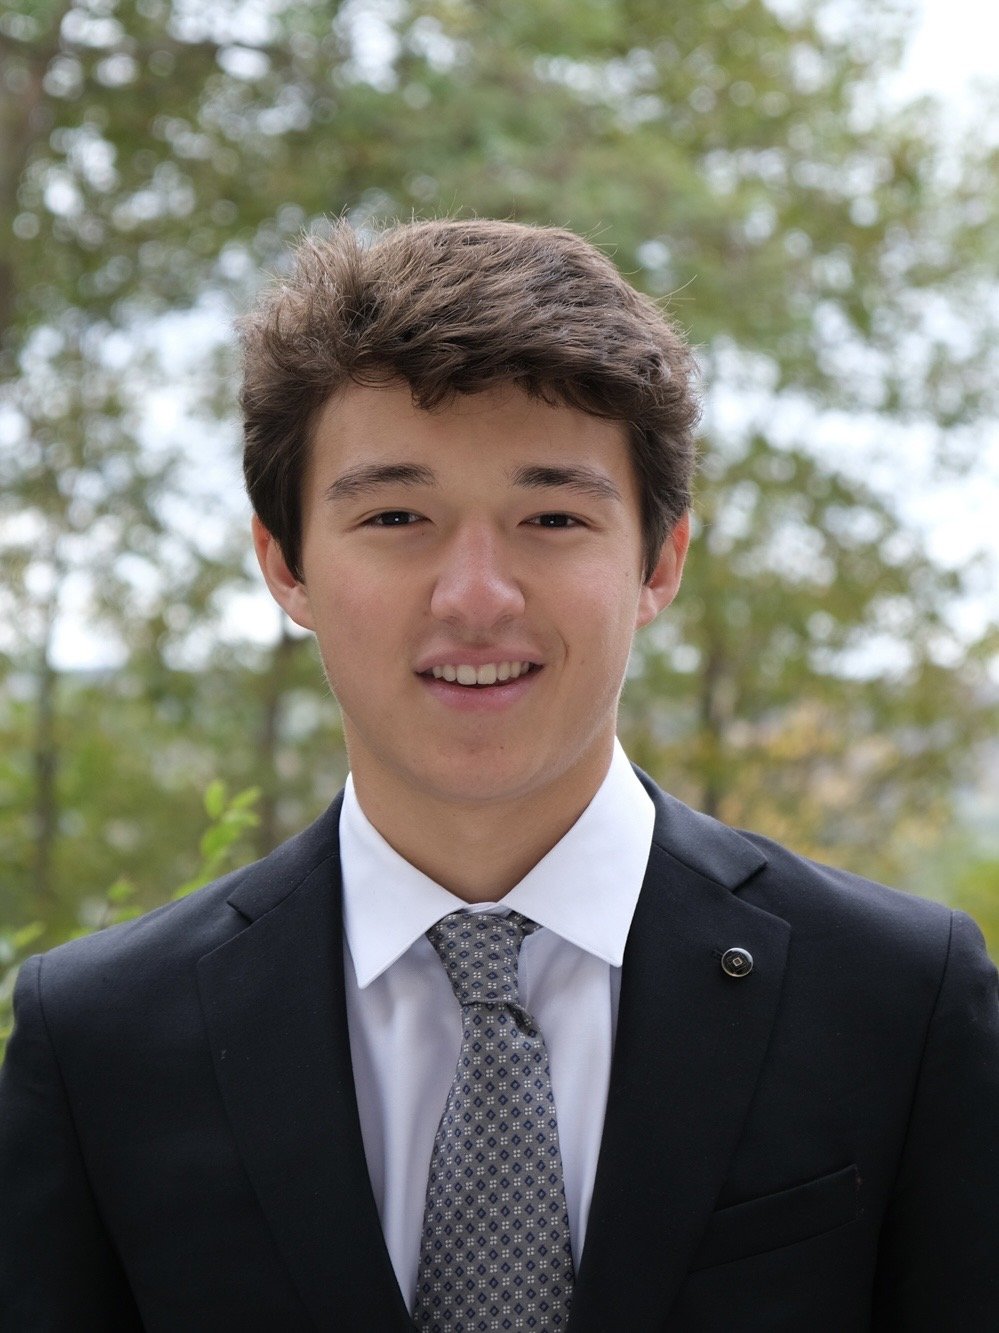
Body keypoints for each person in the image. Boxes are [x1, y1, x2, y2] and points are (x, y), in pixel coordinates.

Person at [0, 218, 996, 1332]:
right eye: (396, 515)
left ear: (658, 561)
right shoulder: (100, 1042)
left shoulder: (898, 1000)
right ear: (285, 564)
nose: (476, 596)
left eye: (553, 516)